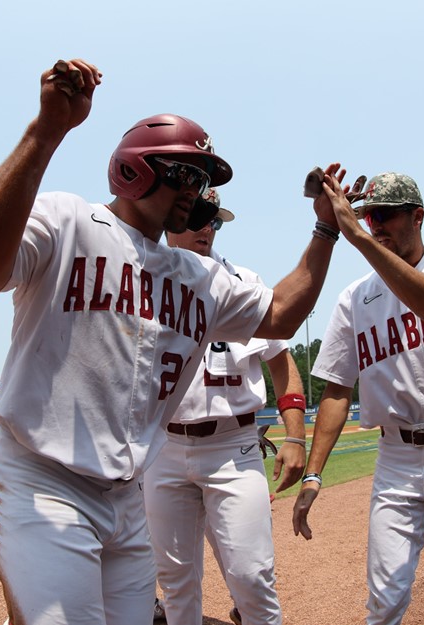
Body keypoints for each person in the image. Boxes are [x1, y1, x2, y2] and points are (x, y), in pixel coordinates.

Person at [0, 58, 341, 625]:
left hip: (127, 496)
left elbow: (280, 314)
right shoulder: (69, 220)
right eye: (186, 174)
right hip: (40, 475)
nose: (198, 192)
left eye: (202, 180)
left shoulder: (199, 276)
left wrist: (324, 230)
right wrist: (47, 130)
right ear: (135, 170)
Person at [292, 172, 424, 625]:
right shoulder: (355, 298)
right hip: (396, 457)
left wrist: (359, 238)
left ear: (417, 216)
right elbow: (338, 390)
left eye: (384, 215)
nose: (373, 224)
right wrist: (314, 476)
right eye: (367, 215)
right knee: (384, 601)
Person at [143, 189, 307, 625]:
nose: (206, 227)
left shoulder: (244, 283)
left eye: (213, 219)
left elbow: (281, 364)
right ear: (172, 215)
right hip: (164, 447)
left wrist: (295, 434)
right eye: (197, 216)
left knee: (252, 577)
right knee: (175, 583)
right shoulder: (146, 282)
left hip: (232, 445)